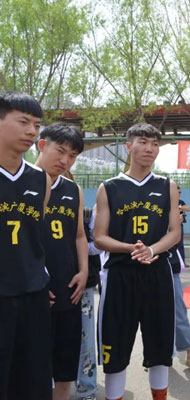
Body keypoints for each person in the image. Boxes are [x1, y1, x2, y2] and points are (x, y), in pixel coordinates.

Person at [94, 123, 180, 400]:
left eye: (155, 144)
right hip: (120, 275)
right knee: (116, 348)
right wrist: (131, 248)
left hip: (157, 273)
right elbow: (99, 237)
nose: (149, 148)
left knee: (159, 348)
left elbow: (175, 232)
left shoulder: (167, 186)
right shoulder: (109, 187)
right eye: (143, 142)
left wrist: (152, 250)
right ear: (129, 146)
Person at [0, 91, 52, 399]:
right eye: (23, 122)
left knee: (32, 381)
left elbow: (36, 235)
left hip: (33, 294)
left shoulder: (40, 178)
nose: (32, 131)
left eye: (36, 125)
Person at [35, 123, 89, 400]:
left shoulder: (73, 190)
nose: (65, 160)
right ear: (42, 145)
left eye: (72, 155)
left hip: (68, 288)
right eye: (60, 151)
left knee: (65, 368)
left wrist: (84, 270)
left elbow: (79, 235)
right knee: (32, 368)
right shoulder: (23, 183)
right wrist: (34, 278)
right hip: (33, 290)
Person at [168, 207, 190, 373]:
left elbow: (175, 238)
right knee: (151, 315)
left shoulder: (169, 206)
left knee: (178, 312)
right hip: (146, 266)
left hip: (169, 265)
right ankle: (157, 354)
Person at [77, 206, 102, 400]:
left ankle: (87, 387)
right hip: (50, 283)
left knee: (85, 338)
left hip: (84, 284)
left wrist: (80, 248)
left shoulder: (87, 214)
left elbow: (99, 244)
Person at [177, 185, 190, 268]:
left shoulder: (180, 201)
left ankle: (182, 261)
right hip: (169, 225)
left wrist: (179, 207)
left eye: (180, 192)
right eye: (177, 192)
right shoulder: (168, 200)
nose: (179, 194)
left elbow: (187, 208)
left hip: (179, 225)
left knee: (180, 244)